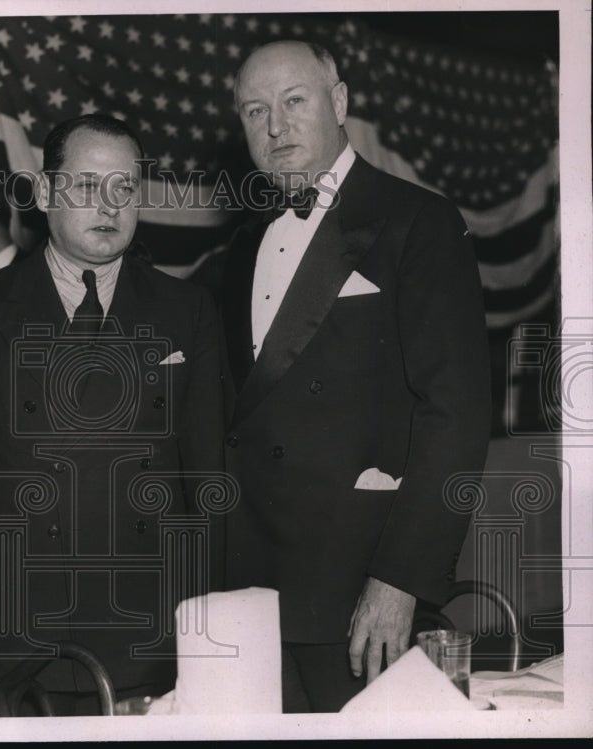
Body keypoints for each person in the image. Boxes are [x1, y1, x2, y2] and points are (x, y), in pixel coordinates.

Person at [0, 114, 225, 716]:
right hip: (15, 638)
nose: (108, 206)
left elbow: (207, 481)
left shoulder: (187, 310)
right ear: (45, 193)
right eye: (85, 186)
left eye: (124, 188)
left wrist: (213, 626)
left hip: (153, 637)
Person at [220, 40, 491, 712]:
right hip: (250, 595)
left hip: (359, 595)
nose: (275, 126)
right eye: (255, 111)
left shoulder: (418, 220)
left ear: (339, 102)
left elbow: (455, 416)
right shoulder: (240, 246)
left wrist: (400, 580)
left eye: (294, 100)